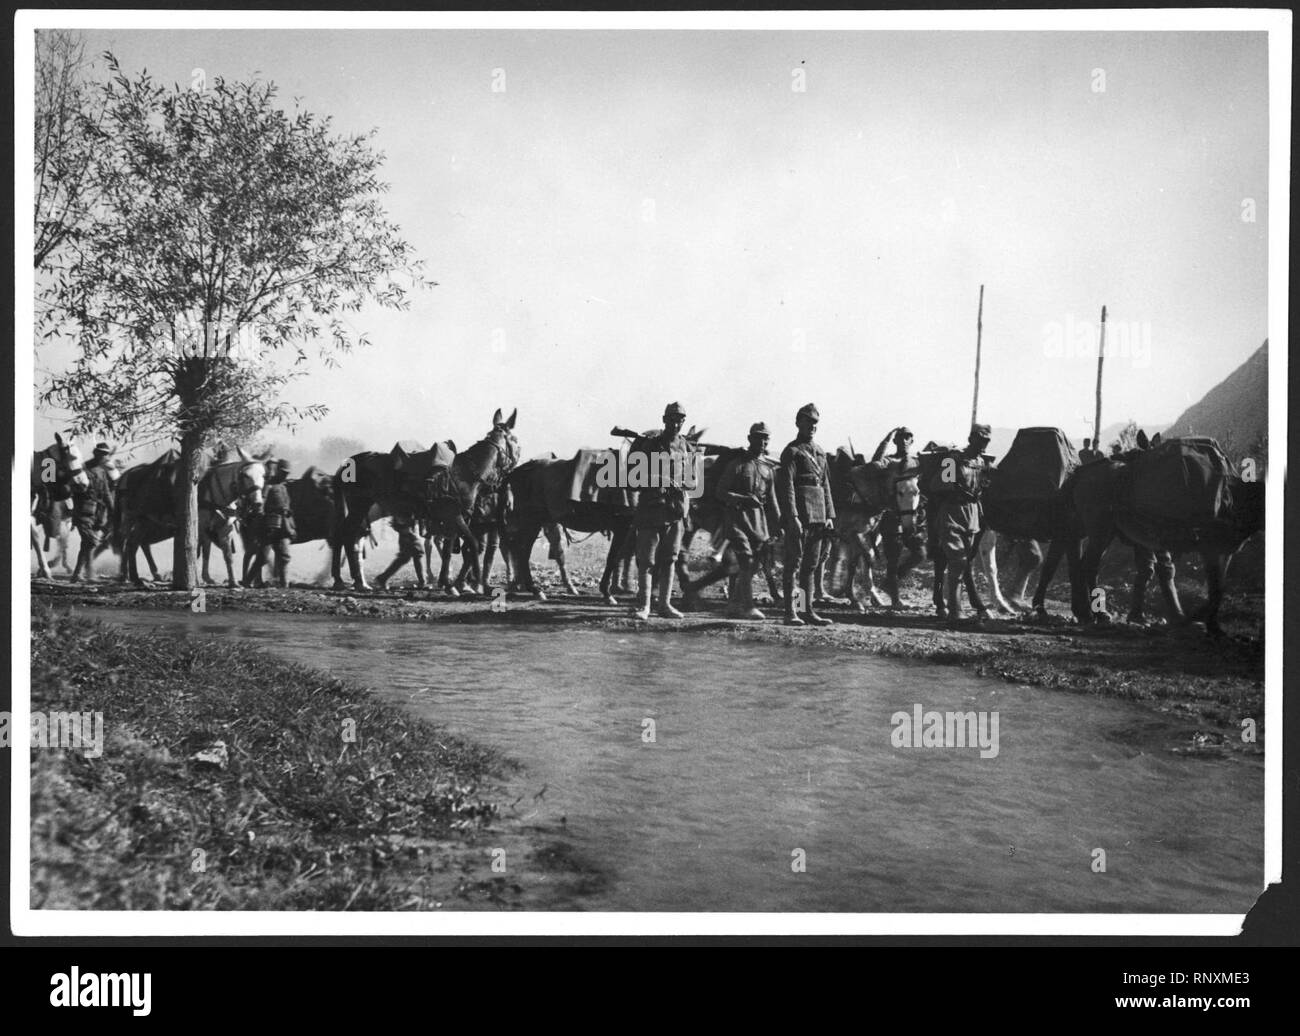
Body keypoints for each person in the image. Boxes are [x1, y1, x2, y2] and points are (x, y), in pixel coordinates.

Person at [702, 422, 781, 619]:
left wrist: (779, 525)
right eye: (758, 437)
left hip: (758, 523)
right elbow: (721, 492)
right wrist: (743, 499)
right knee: (746, 560)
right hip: (736, 521)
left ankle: (733, 605)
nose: (762, 442)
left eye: (765, 438)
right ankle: (748, 606)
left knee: (753, 565)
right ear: (750, 439)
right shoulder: (736, 465)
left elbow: (772, 501)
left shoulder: (768, 470)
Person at [628, 402, 694, 620]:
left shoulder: (687, 448)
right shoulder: (650, 445)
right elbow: (632, 479)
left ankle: (664, 605)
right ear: (664, 419)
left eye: (680, 420)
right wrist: (658, 479)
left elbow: (695, 482)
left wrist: (681, 483)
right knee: (646, 560)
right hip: (651, 509)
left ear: (684, 422)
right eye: (672, 419)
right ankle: (643, 606)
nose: (676, 423)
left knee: (670, 559)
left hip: (675, 512)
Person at [777, 403, 836, 626]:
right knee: (793, 563)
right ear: (798, 423)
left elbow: (826, 484)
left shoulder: (820, 452)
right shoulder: (791, 452)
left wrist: (829, 514)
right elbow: (787, 487)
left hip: (819, 513)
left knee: (810, 565)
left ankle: (806, 610)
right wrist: (792, 516)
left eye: (814, 422)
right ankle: (789, 612)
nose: (811, 426)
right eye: (807, 421)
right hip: (800, 514)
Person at [928, 424, 992, 625]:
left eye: (987, 440)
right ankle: (955, 611)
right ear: (971, 438)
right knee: (957, 562)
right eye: (980, 439)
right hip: (952, 513)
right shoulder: (953, 459)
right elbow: (938, 487)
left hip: (972, 516)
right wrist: (956, 488)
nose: (983, 444)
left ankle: (956, 608)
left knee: (965, 562)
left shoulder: (981, 462)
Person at [69, 442, 115, 583]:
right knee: (92, 541)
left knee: (86, 545)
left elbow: (106, 492)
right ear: (95, 453)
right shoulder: (82, 469)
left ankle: (78, 574)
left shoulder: (102, 471)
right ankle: (85, 573)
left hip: (98, 514)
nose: (103, 456)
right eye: (101, 453)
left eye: (105, 454)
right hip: (83, 512)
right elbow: (74, 491)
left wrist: (113, 510)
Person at [255, 459, 295, 589]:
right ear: (278, 470)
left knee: (284, 555)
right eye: (283, 472)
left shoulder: (283, 486)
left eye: (287, 473)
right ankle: (253, 580)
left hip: (283, 525)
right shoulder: (269, 485)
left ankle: (284, 584)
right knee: (263, 556)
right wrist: (263, 519)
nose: (285, 475)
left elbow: (285, 504)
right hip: (269, 525)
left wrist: (288, 517)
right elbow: (262, 502)